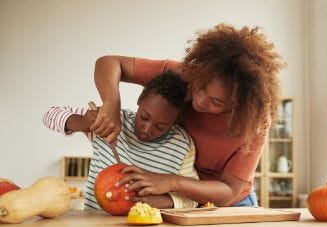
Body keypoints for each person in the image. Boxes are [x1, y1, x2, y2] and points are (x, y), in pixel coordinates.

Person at [92, 23, 284, 207]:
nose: (199, 101)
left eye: (216, 102)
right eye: (200, 86)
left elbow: (229, 191)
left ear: (237, 104)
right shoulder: (179, 75)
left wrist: (172, 182)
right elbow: (109, 62)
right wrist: (111, 103)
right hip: (174, 197)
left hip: (228, 204)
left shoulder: (253, 123)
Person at [43, 71, 198, 209]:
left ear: (175, 121)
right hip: (95, 225)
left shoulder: (182, 145)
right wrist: (82, 122)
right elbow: (49, 116)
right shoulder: (112, 121)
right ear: (139, 101)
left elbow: (194, 198)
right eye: (144, 117)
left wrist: (165, 201)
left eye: (161, 126)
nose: (147, 129)